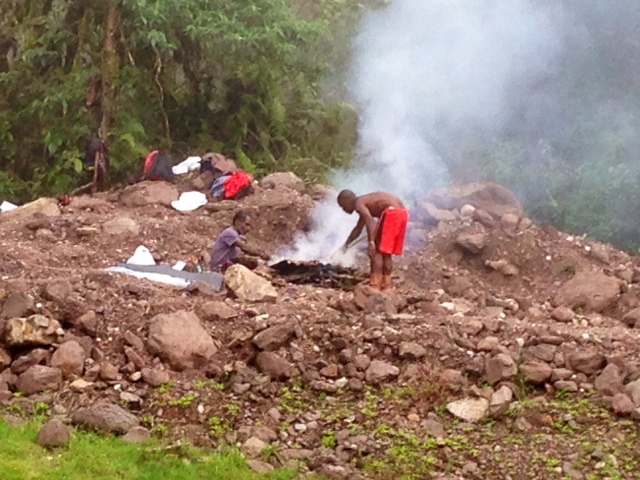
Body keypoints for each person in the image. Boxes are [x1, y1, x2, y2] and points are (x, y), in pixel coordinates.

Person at [337, 190, 409, 290]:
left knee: (376, 252)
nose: (343, 209)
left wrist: (371, 242)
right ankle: (386, 284)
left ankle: (374, 284)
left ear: (346, 200)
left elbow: (369, 220)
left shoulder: (358, 203)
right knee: (386, 252)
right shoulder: (364, 202)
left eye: (342, 206)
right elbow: (358, 228)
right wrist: (346, 244)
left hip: (391, 213)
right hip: (402, 213)